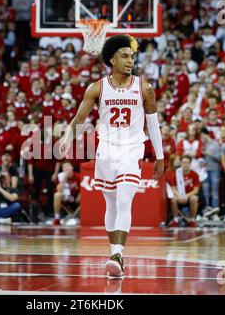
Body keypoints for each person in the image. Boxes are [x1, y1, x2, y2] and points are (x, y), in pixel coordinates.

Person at [59, 35, 164, 278]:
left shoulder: (145, 88)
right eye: (125, 56)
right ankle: (114, 251)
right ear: (112, 60)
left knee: (124, 200)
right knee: (111, 203)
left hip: (131, 150)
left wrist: (160, 156)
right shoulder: (96, 87)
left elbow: (154, 125)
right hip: (105, 150)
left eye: (132, 56)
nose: (130, 60)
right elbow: (79, 118)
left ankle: (117, 254)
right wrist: (66, 138)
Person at [167, 155, 200, 227]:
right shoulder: (176, 173)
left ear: (190, 164)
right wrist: (179, 195)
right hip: (179, 195)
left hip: (189, 196)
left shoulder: (194, 174)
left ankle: (192, 219)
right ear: (181, 163)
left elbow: (196, 190)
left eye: (187, 162)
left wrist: (186, 196)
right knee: (173, 199)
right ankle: (175, 220)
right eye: (184, 162)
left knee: (194, 198)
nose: (185, 164)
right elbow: (173, 188)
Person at [53, 161, 80, 225]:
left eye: (67, 166)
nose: (66, 168)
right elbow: (59, 190)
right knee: (57, 195)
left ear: (72, 168)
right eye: (64, 167)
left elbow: (84, 188)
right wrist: (64, 179)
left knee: (84, 196)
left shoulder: (78, 176)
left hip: (76, 199)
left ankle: (78, 216)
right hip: (65, 199)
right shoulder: (60, 176)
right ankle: (57, 218)